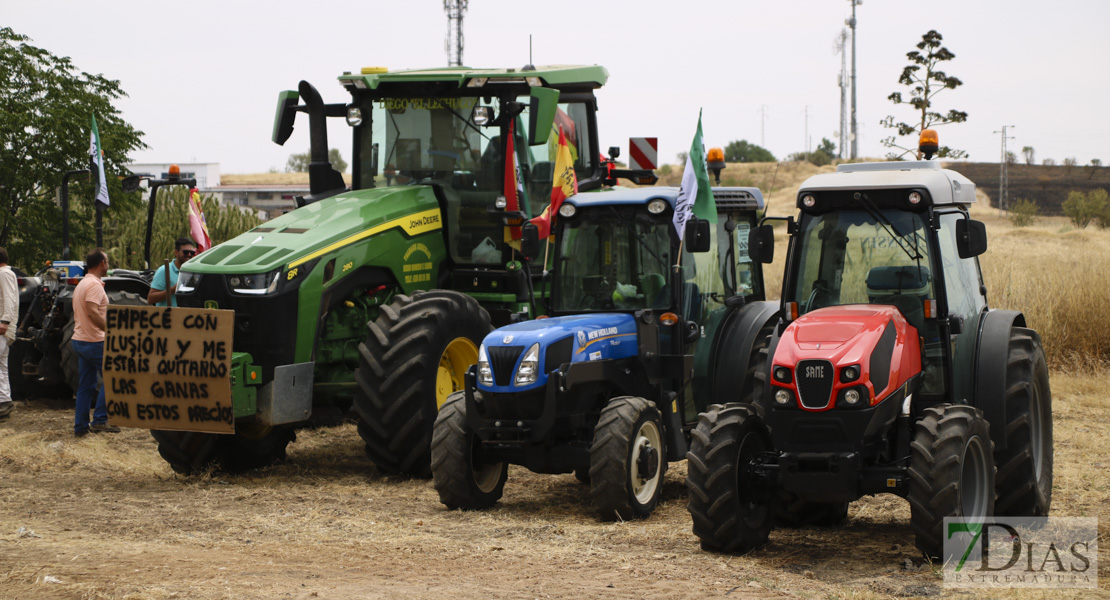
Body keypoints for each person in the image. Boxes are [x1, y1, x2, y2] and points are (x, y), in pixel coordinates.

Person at [71, 248, 120, 436]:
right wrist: (111, 331)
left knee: (85, 386)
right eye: (107, 261)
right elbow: (92, 311)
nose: (108, 264)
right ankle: (100, 419)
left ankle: (81, 427)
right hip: (94, 342)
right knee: (113, 377)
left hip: (81, 340)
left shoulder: (83, 283)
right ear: (102, 263)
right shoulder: (93, 285)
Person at [147, 237, 196, 307]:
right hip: (168, 316)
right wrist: (173, 290)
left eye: (192, 253)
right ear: (176, 252)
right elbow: (150, 299)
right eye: (185, 252)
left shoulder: (193, 272)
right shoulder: (164, 270)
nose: (189, 255)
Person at [0, 247, 17, 419]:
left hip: (1, 326)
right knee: (2, 366)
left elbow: (9, 299)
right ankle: (4, 402)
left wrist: (4, 321)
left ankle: (4, 402)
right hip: (3, 326)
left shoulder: (4, 274)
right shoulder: (6, 274)